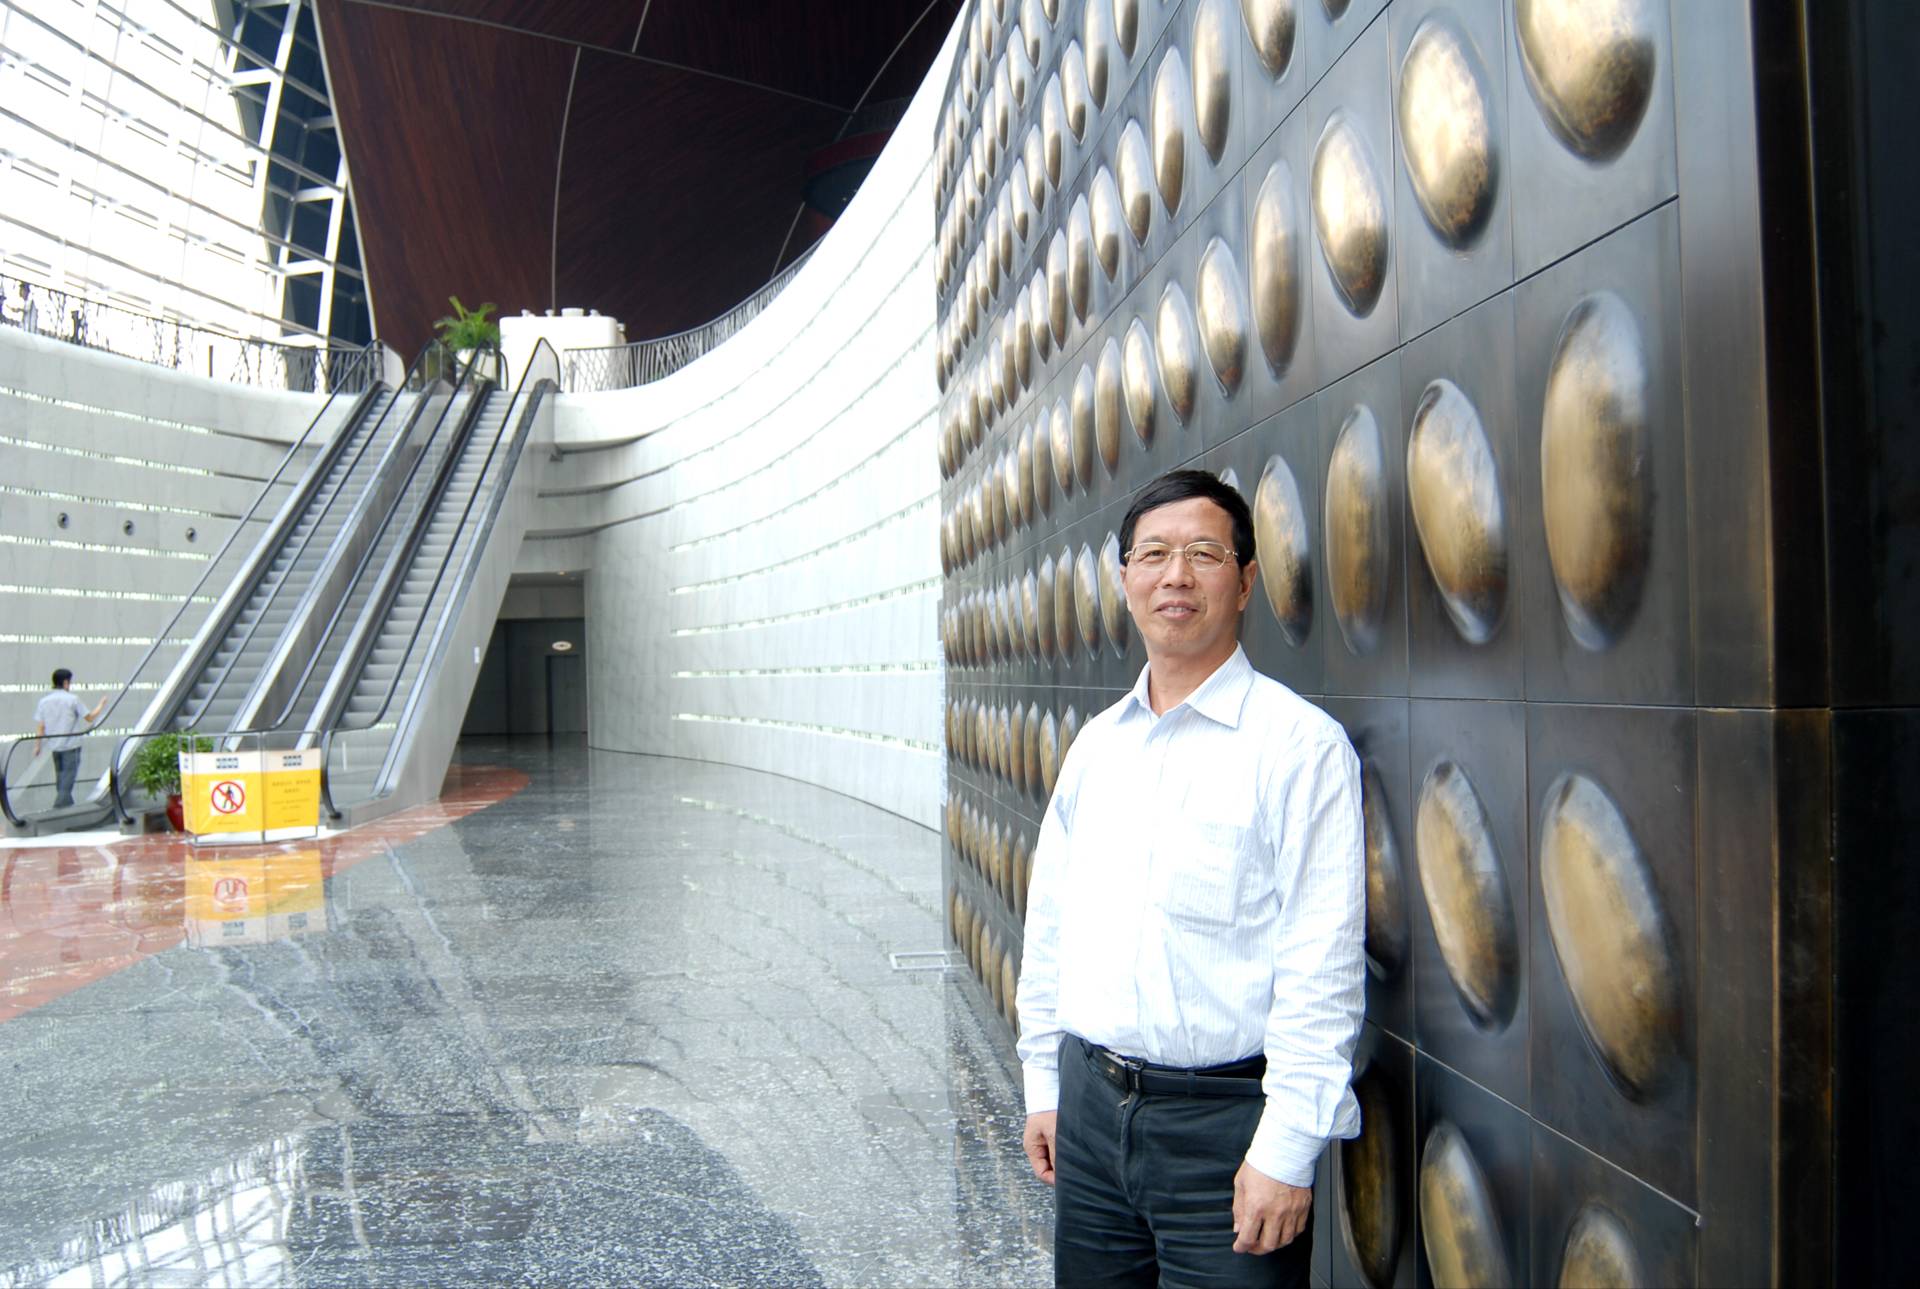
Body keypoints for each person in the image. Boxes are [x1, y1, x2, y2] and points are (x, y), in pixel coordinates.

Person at [1016, 469, 1366, 1289]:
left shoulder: (1300, 747)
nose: (1176, 575)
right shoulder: (1097, 747)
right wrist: (1044, 1082)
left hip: (1227, 1132)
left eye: (1204, 554)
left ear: (1245, 582)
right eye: (1154, 555)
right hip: (1091, 1114)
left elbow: (1322, 965)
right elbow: (1053, 925)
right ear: (1125, 579)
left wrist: (1287, 1149)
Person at [34, 669, 108, 809]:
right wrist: (102, 704)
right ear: (66, 682)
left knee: (61, 779)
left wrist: (37, 746)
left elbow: (41, 726)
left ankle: (67, 806)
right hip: (71, 745)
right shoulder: (72, 699)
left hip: (54, 746)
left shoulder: (44, 701)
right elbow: (89, 717)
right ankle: (59, 808)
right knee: (67, 778)